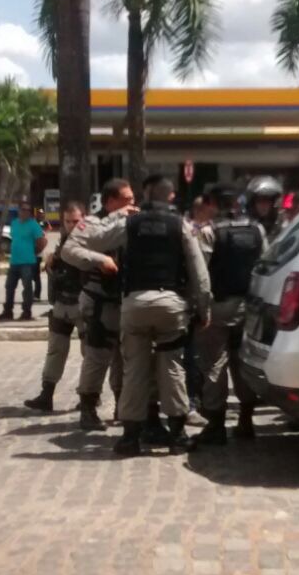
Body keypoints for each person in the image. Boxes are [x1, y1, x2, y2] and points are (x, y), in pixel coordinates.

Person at [65, 176, 211, 457]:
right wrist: (203, 308)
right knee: (172, 368)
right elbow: (199, 272)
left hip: (133, 306)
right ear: (170, 199)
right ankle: (178, 436)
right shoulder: (179, 224)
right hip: (170, 304)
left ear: (144, 199)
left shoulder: (129, 224)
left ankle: (130, 438)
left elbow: (84, 240)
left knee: (134, 370)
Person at [196, 183, 266, 444]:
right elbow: (264, 265)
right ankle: (245, 421)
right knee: (243, 362)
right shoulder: (256, 230)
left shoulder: (209, 232)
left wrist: (200, 310)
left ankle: (215, 425)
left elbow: (201, 275)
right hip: (248, 307)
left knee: (214, 364)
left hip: (218, 307)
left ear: (213, 204)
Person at [61, 179, 132, 431]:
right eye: (126, 199)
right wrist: (99, 259)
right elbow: (69, 251)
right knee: (97, 356)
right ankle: (88, 408)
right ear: (110, 201)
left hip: (125, 301)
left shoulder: (131, 221)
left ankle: (123, 407)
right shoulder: (91, 224)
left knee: (125, 359)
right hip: (99, 300)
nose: (131, 203)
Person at [23, 202, 87, 412]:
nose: (71, 225)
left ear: (83, 219)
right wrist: (52, 264)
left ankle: (89, 398)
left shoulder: (91, 242)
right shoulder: (61, 243)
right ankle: (46, 394)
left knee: (90, 354)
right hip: (62, 303)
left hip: (84, 304)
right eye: (68, 221)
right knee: (56, 350)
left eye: (76, 221)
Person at [0, 202, 46, 321]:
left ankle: (26, 312)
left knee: (27, 288)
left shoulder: (33, 225)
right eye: (23, 210)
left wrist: (34, 252)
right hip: (14, 261)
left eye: (28, 210)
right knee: (9, 286)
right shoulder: (14, 223)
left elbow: (42, 241)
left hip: (28, 261)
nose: (26, 212)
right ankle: (8, 311)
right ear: (19, 211)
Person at [245, 175, 284, 242]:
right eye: (259, 201)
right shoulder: (246, 228)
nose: (263, 205)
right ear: (253, 204)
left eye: (267, 201)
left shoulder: (282, 227)